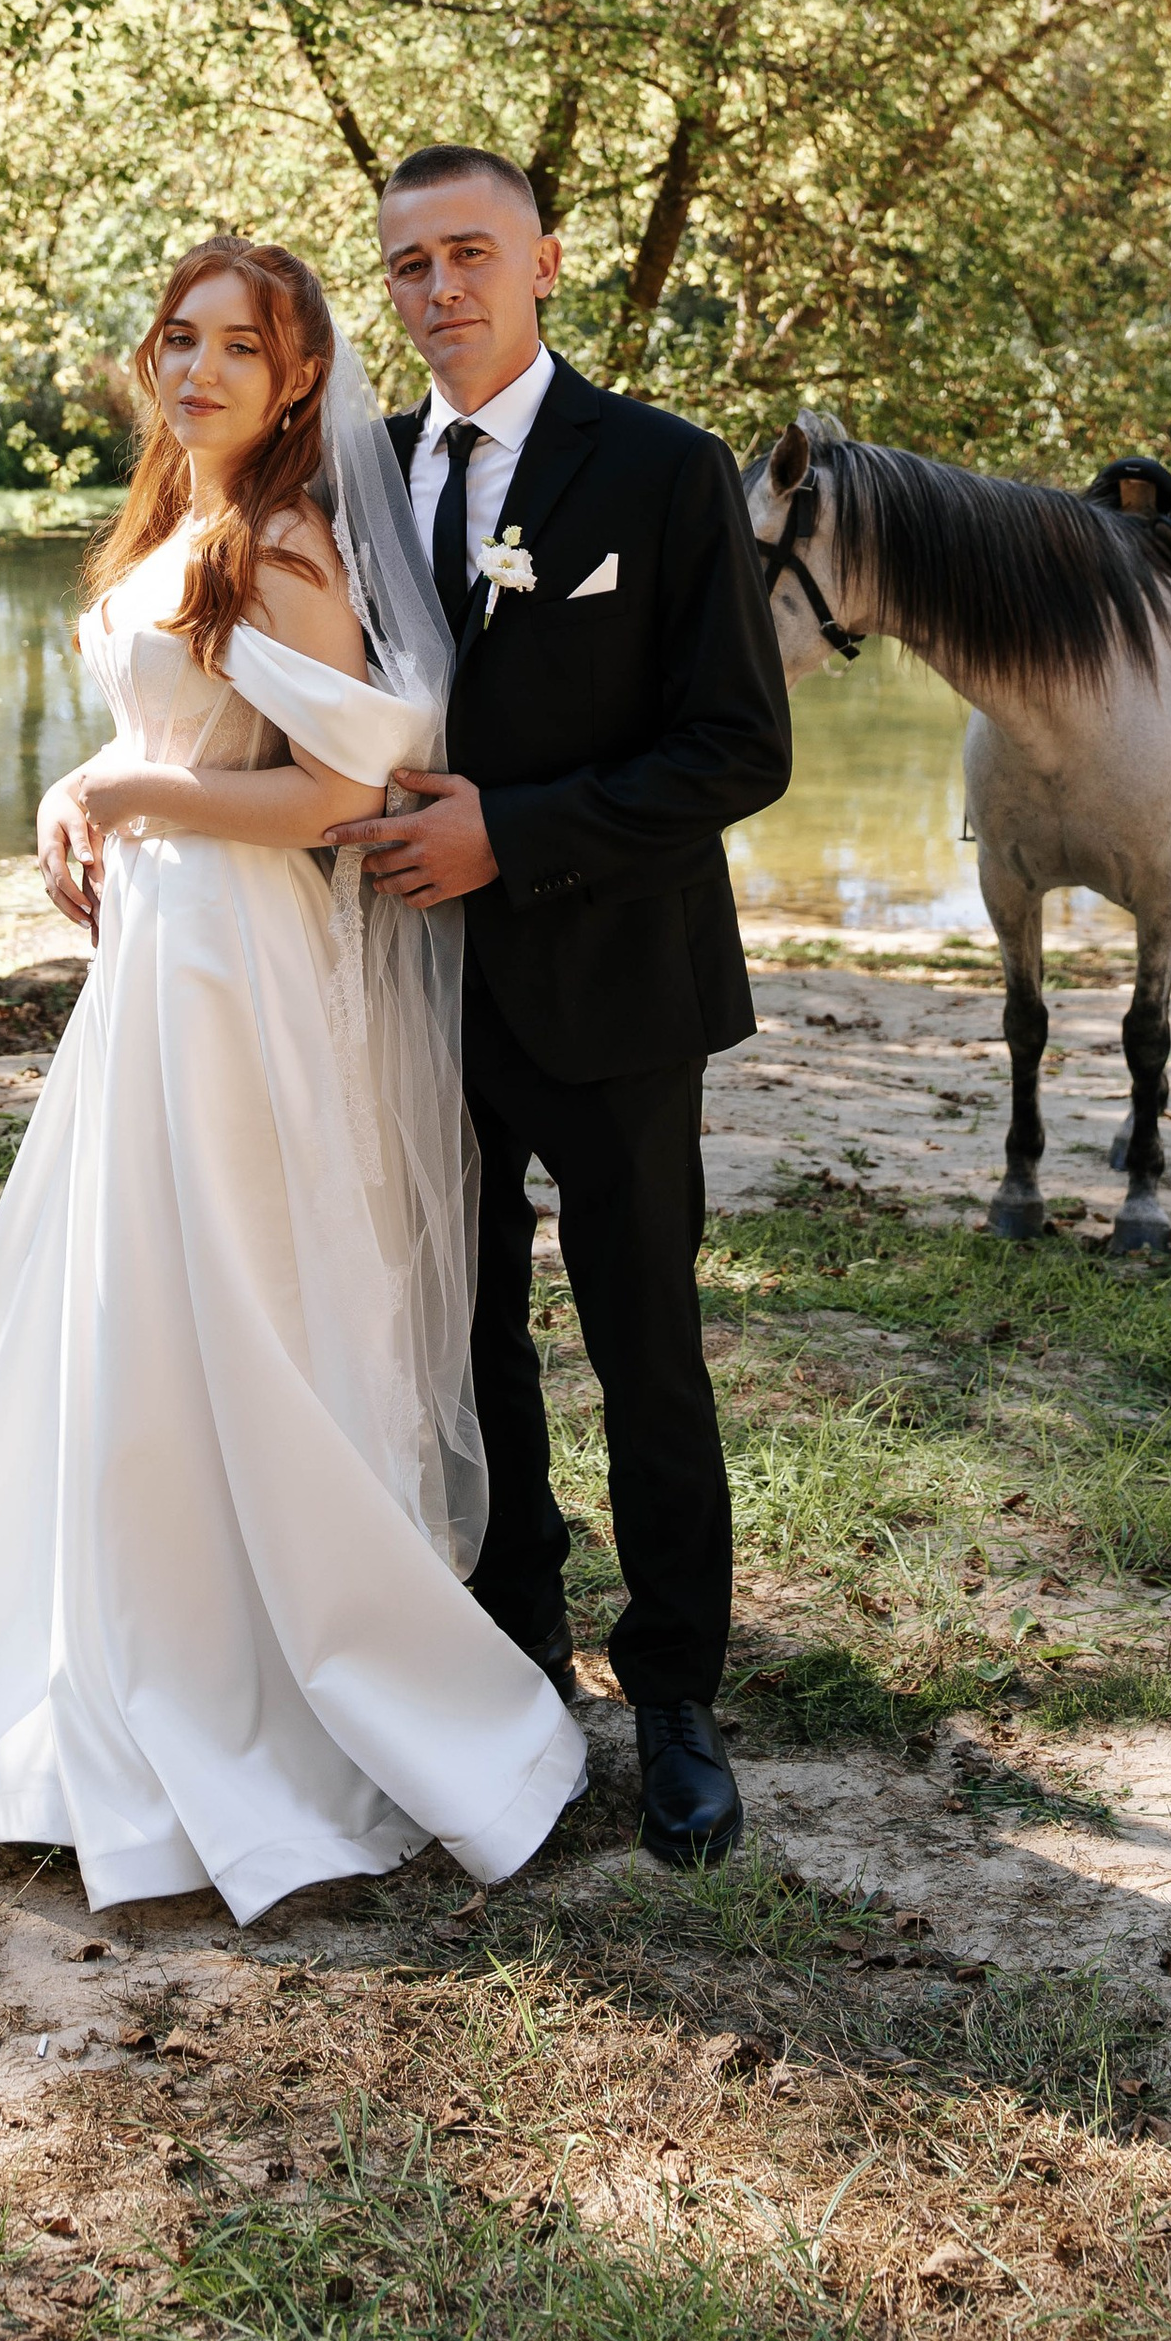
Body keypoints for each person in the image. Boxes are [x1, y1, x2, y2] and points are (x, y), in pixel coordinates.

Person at [0, 235, 587, 1921]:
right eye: (179, 338)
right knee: (125, 1305)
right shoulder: (171, 526)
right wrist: (93, 785)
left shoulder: (284, 543)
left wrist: (128, 802)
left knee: (230, 1300)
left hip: (237, 965)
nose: (199, 369)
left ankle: (272, 1669)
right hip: (160, 956)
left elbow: (321, 801)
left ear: (299, 382)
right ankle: (104, 1629)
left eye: (240, 348)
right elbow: (165, 738)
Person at [324, 146, 792, 1869]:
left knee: (643, 1340)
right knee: (458, 1328)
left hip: (613, 985)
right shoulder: (356, 476)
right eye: (406, 265)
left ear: (547, 265)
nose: (438, 289)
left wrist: (507, 838)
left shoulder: (665, 471)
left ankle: (673, 1689)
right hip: (406, 992)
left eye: (470, 255)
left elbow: (741, 745)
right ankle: (516, 1643)